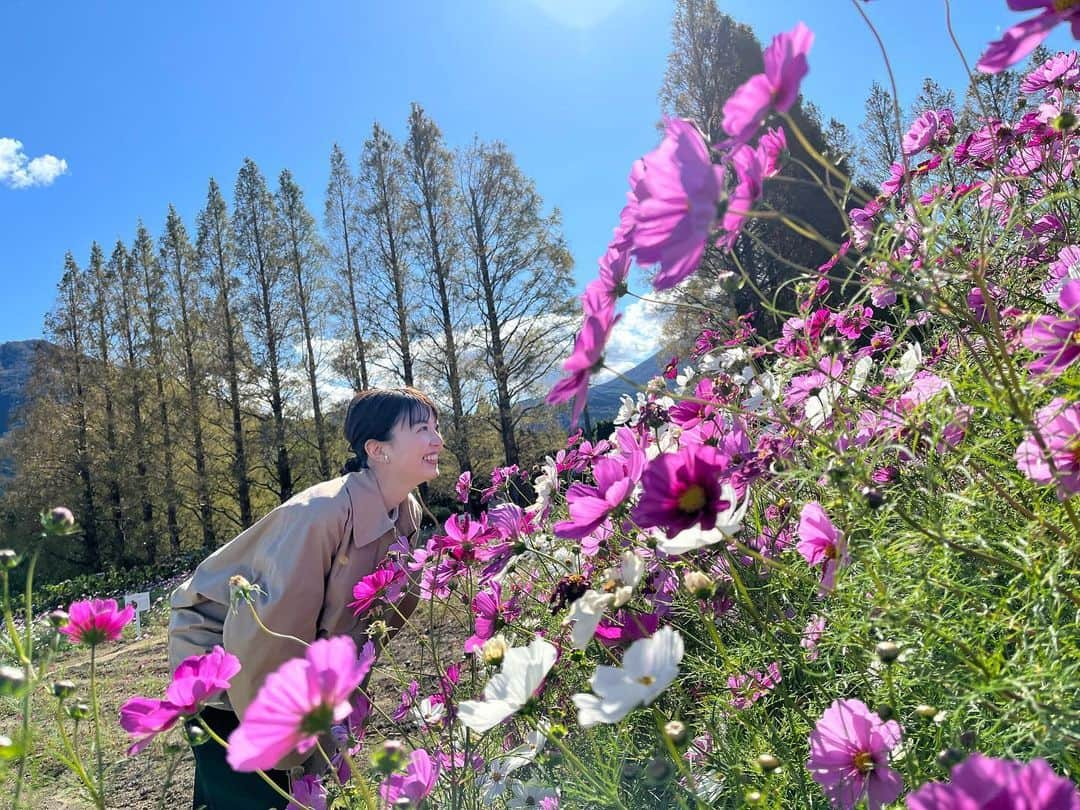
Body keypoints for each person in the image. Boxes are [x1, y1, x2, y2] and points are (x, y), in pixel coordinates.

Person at [168, 387, 443, 809]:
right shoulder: (320, 515)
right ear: (377, 450)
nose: (437, 440)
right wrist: (288, 745)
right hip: (224, 661)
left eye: (436, 427)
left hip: (291, 657)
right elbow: (266, 634)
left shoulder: (407, 512)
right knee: (254, 791)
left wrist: (340, 715)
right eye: (422, 429)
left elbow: (367, 629)